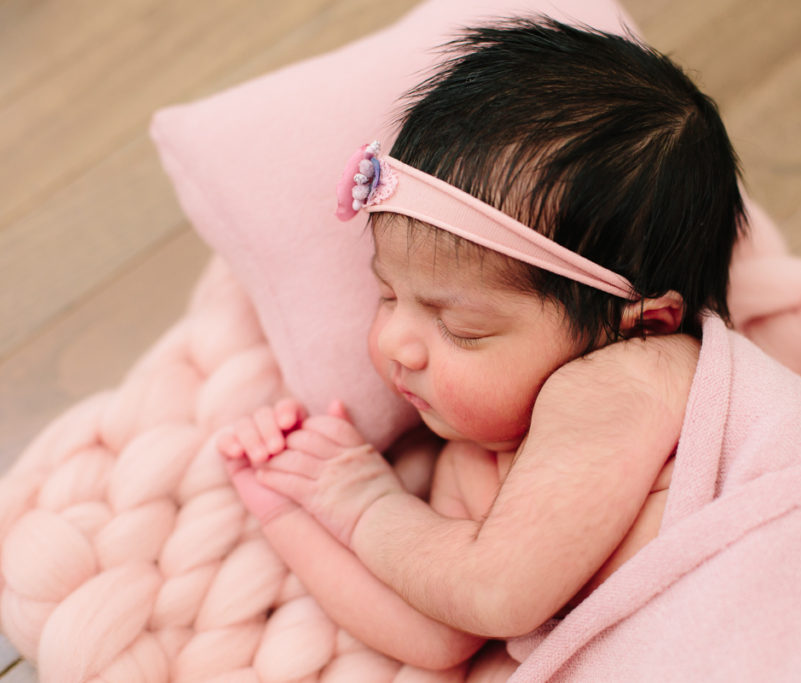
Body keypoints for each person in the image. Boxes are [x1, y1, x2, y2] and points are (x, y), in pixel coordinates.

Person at [218, 16, 744, 677]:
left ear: (641, 322)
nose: (396, 344)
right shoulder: (470, 468)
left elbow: (494, 593)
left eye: (460, 327)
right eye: (387, 295)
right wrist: (287, 505)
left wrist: (363, 503)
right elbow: (442, 632)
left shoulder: (641, 374)